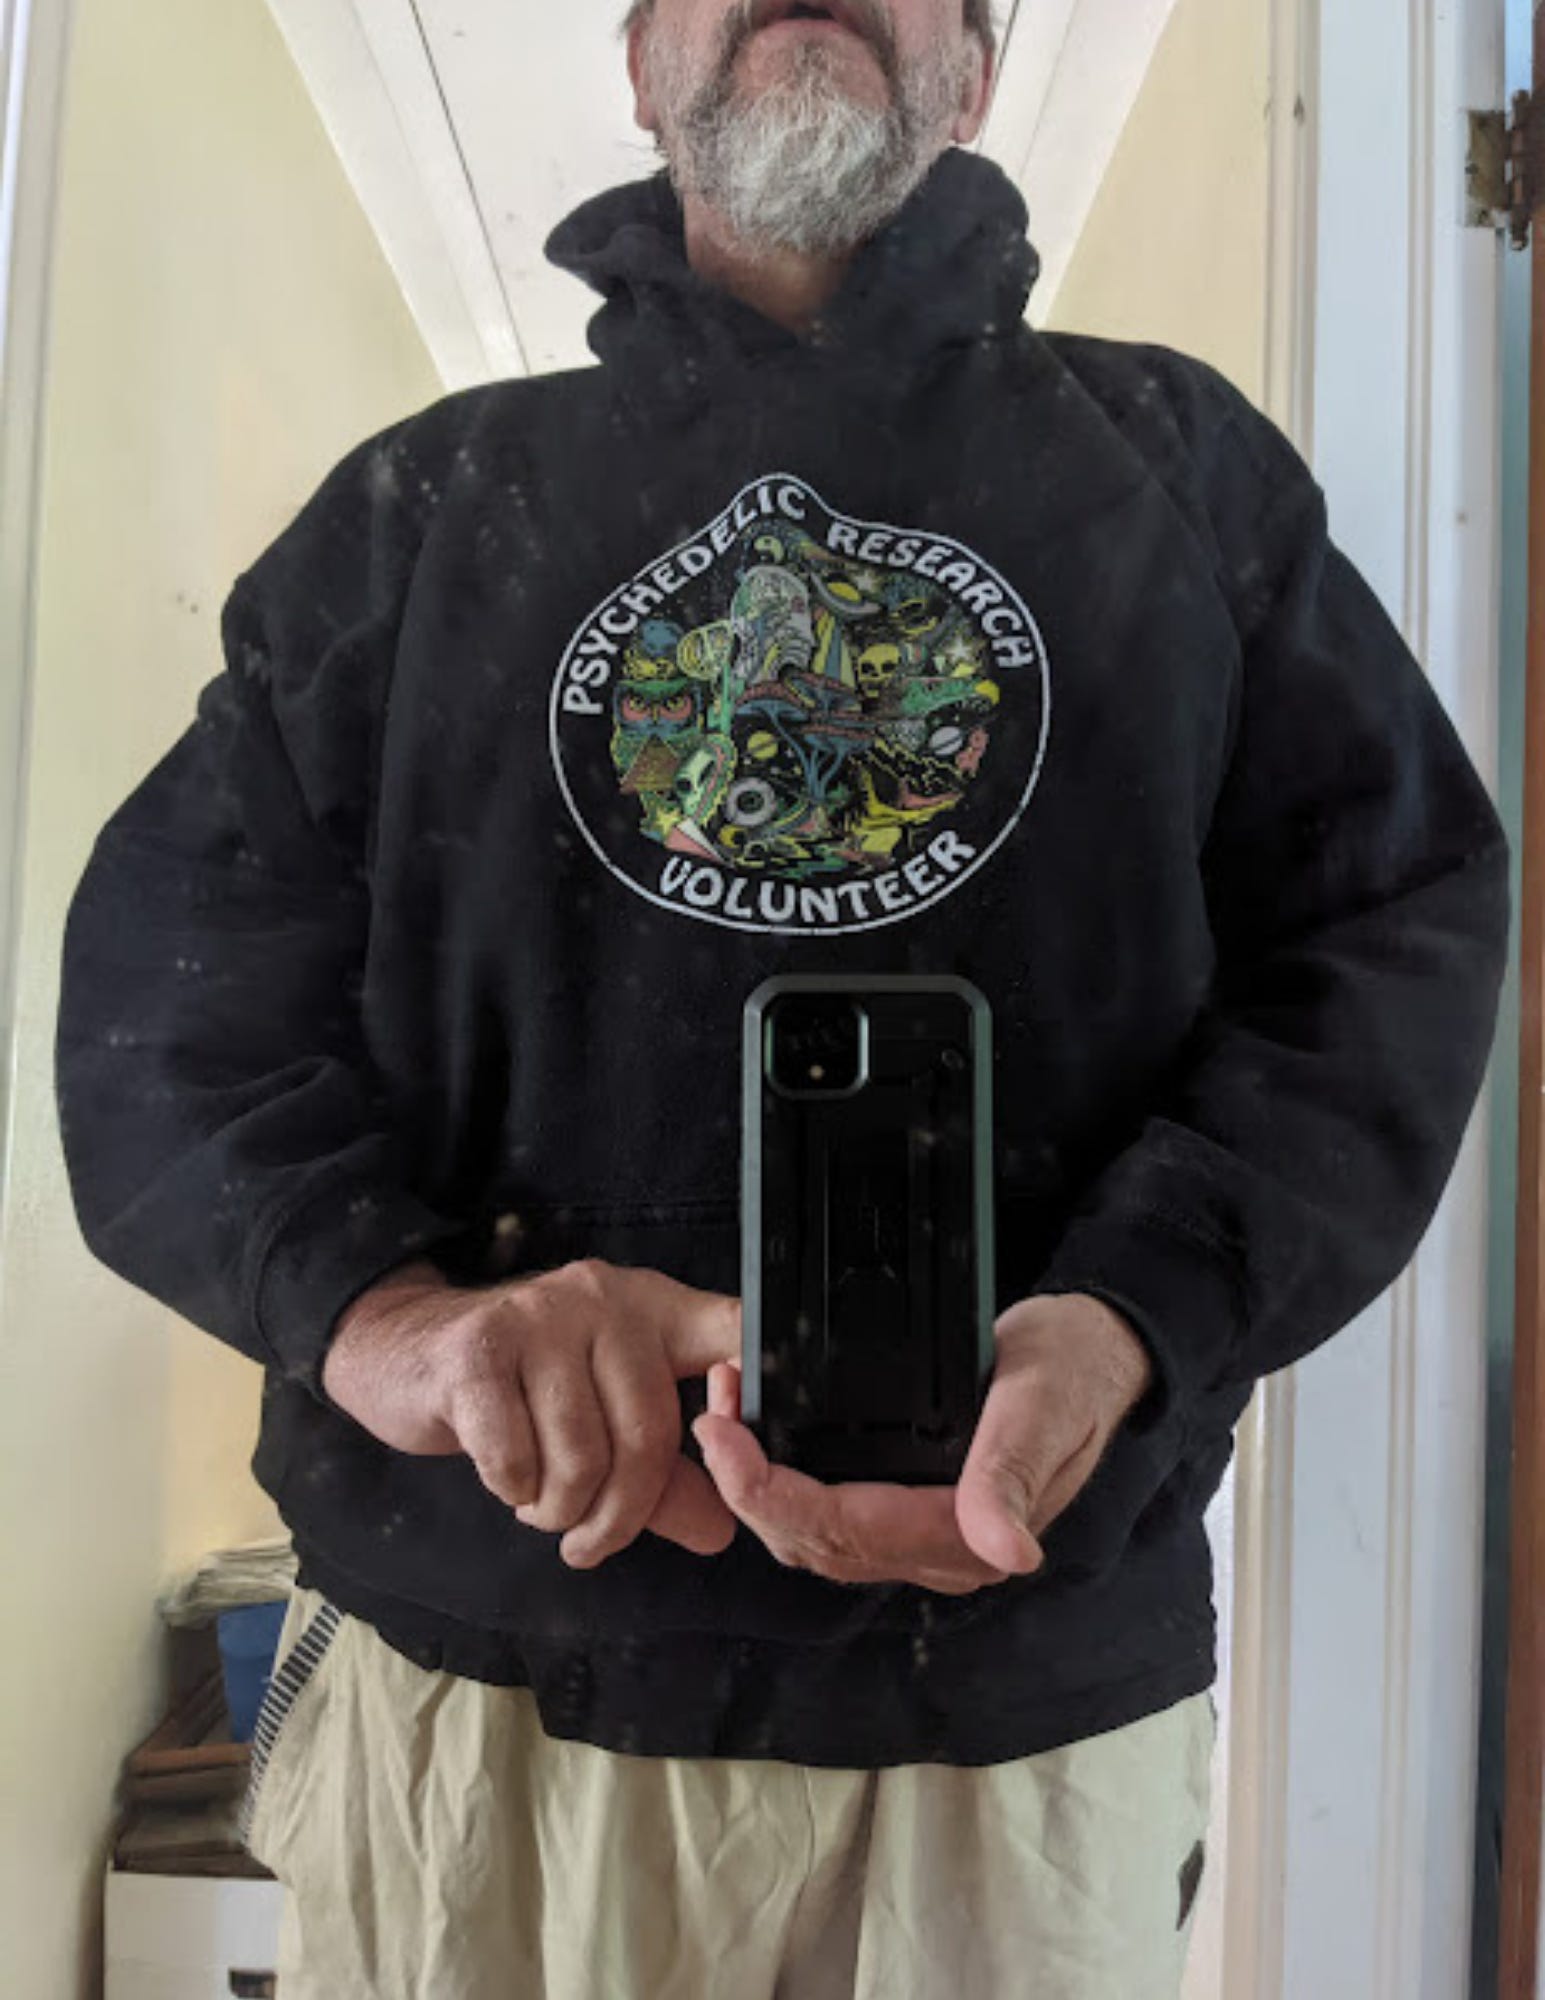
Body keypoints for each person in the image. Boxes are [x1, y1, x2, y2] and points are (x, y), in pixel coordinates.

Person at [55, 0, 1510, 1995]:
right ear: (638, 63)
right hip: (476, 1688)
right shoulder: (416, 508)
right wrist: (389, 1320)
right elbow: (169, 998)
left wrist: (1131, 1317)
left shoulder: (1184, 476)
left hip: (1016, 1704)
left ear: (975, 75)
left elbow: (1387, 935)